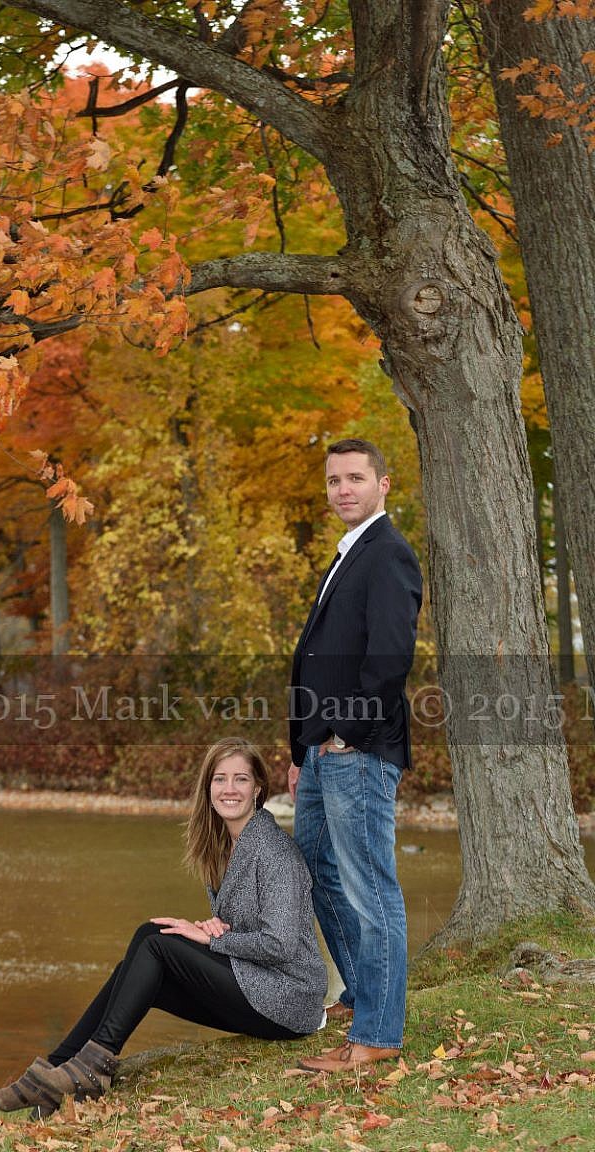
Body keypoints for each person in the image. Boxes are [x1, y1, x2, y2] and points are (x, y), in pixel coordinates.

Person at [0, 737, 327, 1113]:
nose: (229, 789)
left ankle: (94, 1067)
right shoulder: (227, 846)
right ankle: (54, 1074)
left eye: (240, 779)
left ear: (258, 788)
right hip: (255, 981)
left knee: (155, 942)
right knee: (135, 967)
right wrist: (217, 929)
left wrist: (211, 942)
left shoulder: (274, 852)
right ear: (207, 789)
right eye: (219, 779)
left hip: (289, 1000)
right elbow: (251, 925)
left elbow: (281, 945)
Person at [288, 438, 422, 1074]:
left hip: (357, 749)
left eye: (356, 478)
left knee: (372, 890)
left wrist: (345, 733)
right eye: (334, 480)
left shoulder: (388, 554)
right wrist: (301, 747)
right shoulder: (347, 556)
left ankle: (377, 1034)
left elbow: (390, 660)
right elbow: (317, 658)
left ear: (383, 484)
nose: (343, 489)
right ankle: (364, 995)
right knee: (314, 870)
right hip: (320, 751)